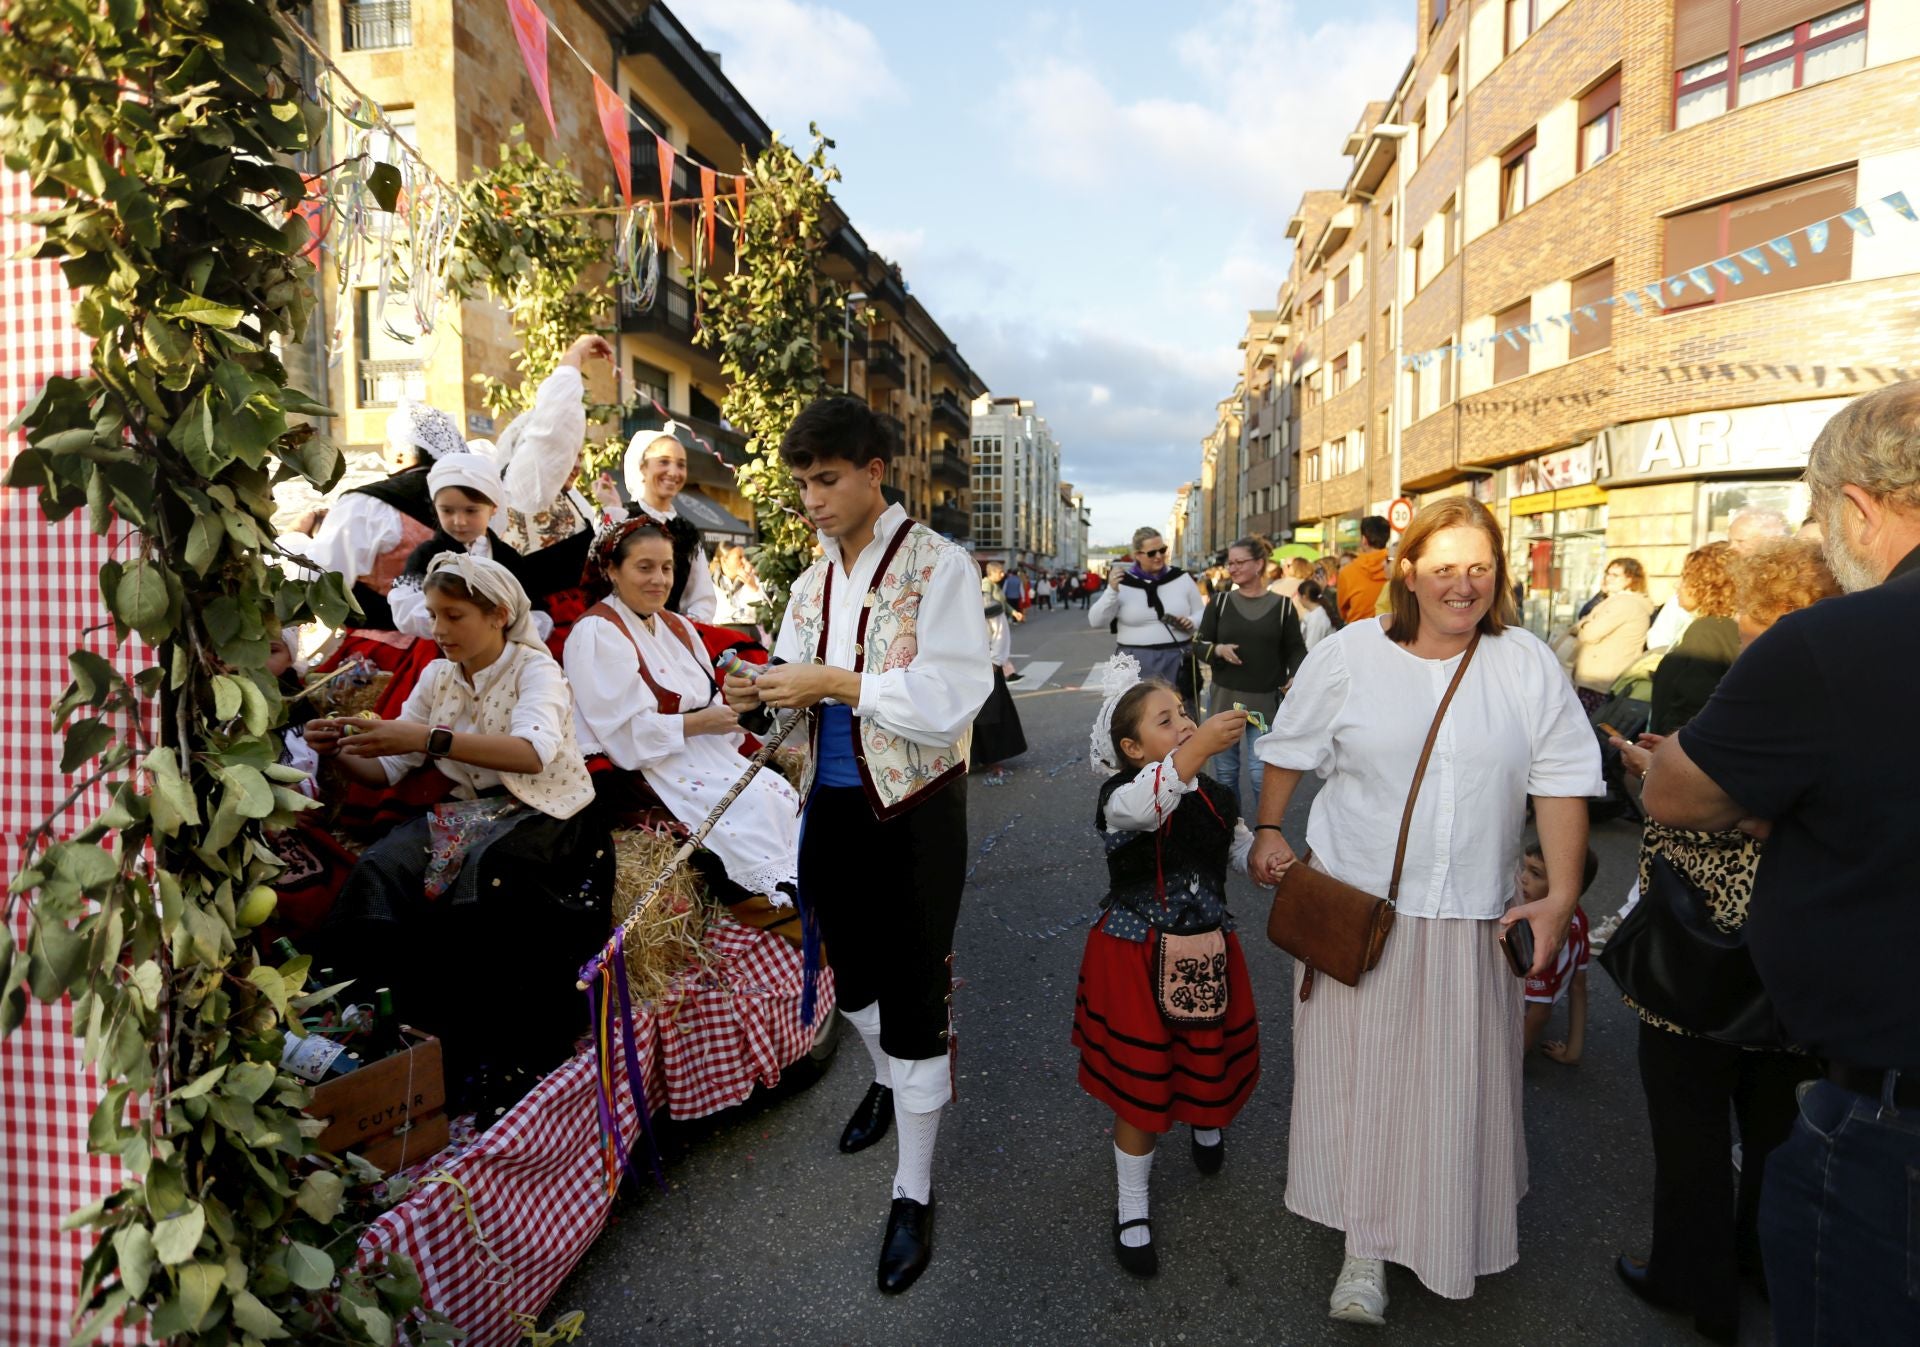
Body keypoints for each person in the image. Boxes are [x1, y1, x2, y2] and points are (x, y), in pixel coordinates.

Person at [1250, 496, 1603, 1323]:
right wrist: (1270, 826)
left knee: (1449, 1092)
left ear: (1499, 575)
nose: (1463, 583)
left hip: (1472, 916)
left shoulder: (1524, 663)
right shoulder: (1351, 655)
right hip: (1360, 911)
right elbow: (1289, 747)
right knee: (1367, 1087)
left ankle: (1444, 1231)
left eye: (1479, 566)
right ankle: (1364, 1251)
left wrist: (1559, 896)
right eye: (1444, 565)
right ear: (1407, 569)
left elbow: (1561, 775)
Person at [1640, 382, 1920, 1347]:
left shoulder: (1838, 641)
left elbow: (1676, 789)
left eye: (1816, 508)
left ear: (1857, 506)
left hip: (1890, 1115)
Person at [721, 396, 990, 1295]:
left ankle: (912, 1190)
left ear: (876, 472)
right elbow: (797, 685)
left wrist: (835, 679)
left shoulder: (940, 565)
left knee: (914, 990)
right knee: (851, 974)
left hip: (913, 811)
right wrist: (762, 687)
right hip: (829, 804)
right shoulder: (809, 582)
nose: (811, 499)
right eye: (801, 483)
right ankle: (885, 1077)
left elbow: (955, 696)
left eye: (826, 479)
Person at [1607, 537, 1839, 1346]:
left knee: (1691, 1120)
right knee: (1776, 1124)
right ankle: (1758, 1265)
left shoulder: (1760, 688)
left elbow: (1684, 797)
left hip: (1702, 946)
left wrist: (1655, 770)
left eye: (1752, 611)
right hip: (1800, 946)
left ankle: (1695, 1284)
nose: (1740, 625)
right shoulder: (1859, 690)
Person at [307, 554, 608, 1115]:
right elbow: (388, 770)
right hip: (473, 815)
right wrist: (344, 751)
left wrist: (426, 737)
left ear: (498, 614)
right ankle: (363, 1026)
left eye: (454, 615)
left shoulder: (535, 670)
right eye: (433, 615)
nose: (439, 630)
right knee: (379, 867)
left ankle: (489, 1054)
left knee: (482, 885)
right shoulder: (437, 675)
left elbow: (532, 752)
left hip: (549, 816)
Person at [1074, 661, 1260, 1278]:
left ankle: (1207, 1119)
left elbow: (1236, 846)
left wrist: (1266, 854)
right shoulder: (1121, 797)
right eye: (1166, 720)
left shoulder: (1217, 793)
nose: (1184, 724)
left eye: (1185, 712)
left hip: (1205, 946)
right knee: (1142, 1080)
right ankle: (1132, 1205)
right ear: (1130, 749)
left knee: (1205, 1051)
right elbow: (1147, 807)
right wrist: (1199, 746)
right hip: (1133, 955)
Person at [566, 515, 801, 903]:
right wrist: (700, 723)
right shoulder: (597, 631)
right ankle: (768, 903)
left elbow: (710, 702)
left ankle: (796, 903)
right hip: (647, 767)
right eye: (644, 567)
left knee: (781, 794)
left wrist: (729, 718)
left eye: (666, 567)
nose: (658, 579)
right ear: (612, 570)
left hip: (702, 752)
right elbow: (622, 736)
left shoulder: (677, 625)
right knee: (755, 805)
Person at [282, 398, 469, 713]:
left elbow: (324, 579)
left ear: (398, 452)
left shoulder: (370, 504)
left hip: (386, 655)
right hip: (464, 649)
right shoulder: (472, 505)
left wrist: (295, 537)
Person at [487, 333, 620, 655]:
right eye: (567, 454)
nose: (573, 464)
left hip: (586, 630)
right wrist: (573, 357)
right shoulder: (524, 488)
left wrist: (611, 510)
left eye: (578, 455)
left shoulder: (572, 500)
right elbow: (552, 429)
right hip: (543, 640)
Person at [1195, 536, 1307, 818]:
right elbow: (1198, 644)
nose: (1232, 568)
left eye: (1239, 562)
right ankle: (1230, 833)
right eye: (1230, 563)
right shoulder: (1219, 603)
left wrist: (1297, 675)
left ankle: (1265, 836)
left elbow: (1296, 650)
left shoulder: (1283, 607)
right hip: (1225, 701)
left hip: (1265, 703)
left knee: (1260, 775)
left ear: (1259, 564)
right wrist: (1217, 649)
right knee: (1226, 774)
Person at [1088, 527, 1206, 715]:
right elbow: (1096, 620)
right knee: (1138, 718)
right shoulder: (1122, 583)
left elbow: (1201, 612)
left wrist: (1191, 621)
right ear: (1138, 555)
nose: (1159, 556)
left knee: (1182, 716)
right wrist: (1111, 590)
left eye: (1163, 550)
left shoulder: (1181, 578)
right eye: (1152, 553)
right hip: (1135, 660)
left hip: (1177, 659)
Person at [621, 425, 718, 623]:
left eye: (681, 464)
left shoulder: (687, 531)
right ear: (642, 467)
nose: (673, 472)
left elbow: (702, 597)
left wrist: (679, 631)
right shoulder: (621, 518)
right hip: (623, 633)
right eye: (663, 462)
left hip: (674, 640)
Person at [1518, 843, 1599, 1063]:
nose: (1523, 878)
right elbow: (1578, 984)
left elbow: (1540, 1012)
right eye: (1523, 868)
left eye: (1535, 874)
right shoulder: (1577, 917)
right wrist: (1573, 1050)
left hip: (1521, 1006)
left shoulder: (1541, 938)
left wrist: (1512, 1058)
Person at [1649, 543, 1738, 735]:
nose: (1677, 585)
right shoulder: (1719, 626)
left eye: (1685, 577)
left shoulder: (1709, 630)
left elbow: (1692, 706)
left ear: (1707, 583)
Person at [1569, 557, 1655, 713]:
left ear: (1630, 579)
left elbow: (1589, 633)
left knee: (1590, 728)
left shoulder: (1624, 603)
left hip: (1602, 678)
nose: (1608, 578)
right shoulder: (1619, 600)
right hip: (1604, 676)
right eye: (1607, 573)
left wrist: (1583, 624)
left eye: (1615, 575)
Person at [974, 561, 1028, 782]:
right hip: (963, 669)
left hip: (987, 665)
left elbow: (1000, 632)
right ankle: (969, 758)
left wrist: (996, 660)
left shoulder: (988, 602)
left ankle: (991, 757)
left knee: (990, 715)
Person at [1336, 519, 1389, 628]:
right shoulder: (1398, 568)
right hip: (1390, 634)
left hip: (1356, 634)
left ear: (1364, 540)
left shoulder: (1347, 572)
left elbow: (1342, 611)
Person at [710, 541, 769, 637]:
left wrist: (754, 588)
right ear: (724, 560)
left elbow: (764, 613)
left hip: (748, 633)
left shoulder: (751, 580)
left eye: (744, 557)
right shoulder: (711, 583)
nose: (745, 562)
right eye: (740, 557)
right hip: (720, 634)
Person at [1292, 578, 1336, 650]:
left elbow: (1311, 647)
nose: (1298, 600)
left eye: (1299, 596)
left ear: (1304, 597)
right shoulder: (1313, 613)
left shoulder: (1317, 617)